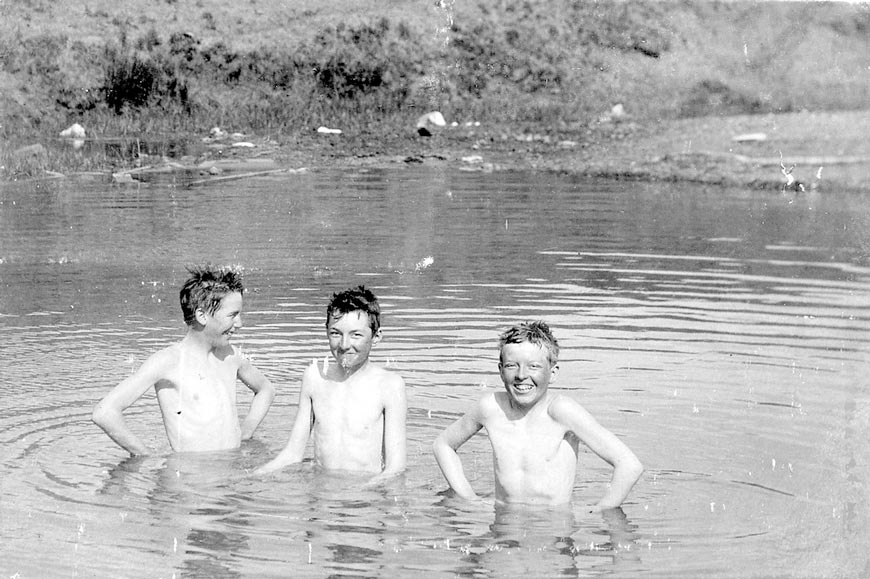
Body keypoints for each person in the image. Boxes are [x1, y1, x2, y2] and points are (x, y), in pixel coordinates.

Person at [433, 321, 643, 508]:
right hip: (503, 524)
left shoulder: (561, 411)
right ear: (500, 370)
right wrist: (469, 499)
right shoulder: (491, 407)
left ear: (553, 373)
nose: (522, 375)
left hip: (552, 529)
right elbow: (443, 445)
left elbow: (629, 465)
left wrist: (599, 512)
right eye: (511, 365)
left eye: (533, 366)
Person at [92, 265, 276, 455]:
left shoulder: (231, 356)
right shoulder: (169, 362)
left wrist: (245, 433)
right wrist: (145, 455)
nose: (240, 324)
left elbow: (266, 389)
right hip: (191, 480)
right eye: (233, 315)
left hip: (231, 471)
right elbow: (105, 412)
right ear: (202, 316)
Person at [256, 286, 406, 479]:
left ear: (376, 336)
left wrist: (366, 491)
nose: (344, 345)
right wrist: (255, 476)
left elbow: (396, 467)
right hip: (321, 496)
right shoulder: (314, 377)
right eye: (336, 333)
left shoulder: (390, 385)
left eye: (356, 335)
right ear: (326, 331)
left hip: (366, 497)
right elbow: (293, 453)